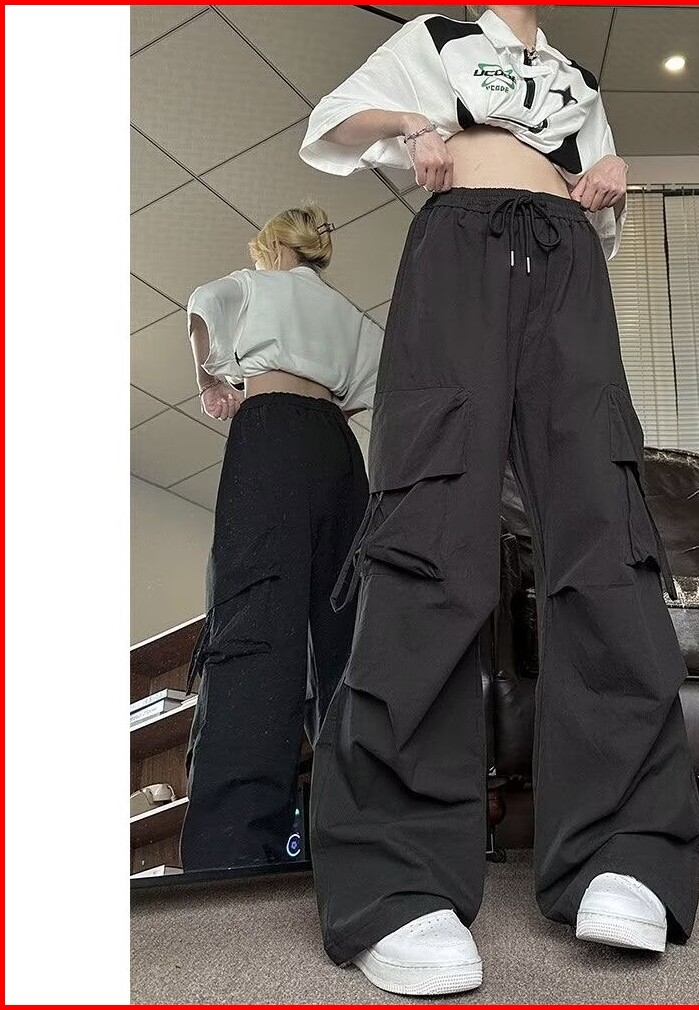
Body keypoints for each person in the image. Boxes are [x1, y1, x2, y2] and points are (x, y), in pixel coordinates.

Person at [300, 6, 699, 995]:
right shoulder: (439, 38)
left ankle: (626, 848)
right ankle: (397, 878)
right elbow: (333, 121)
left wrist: (607, 180)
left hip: (567, 261)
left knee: (605, 529)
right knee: (429, 529)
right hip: (458, 249)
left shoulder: (575, 79)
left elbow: (597, 203)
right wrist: (411, 124)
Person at [180, 204, 382, 871]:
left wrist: (212, 381)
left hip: (270, 434)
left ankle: (234, 851)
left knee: (255, 623)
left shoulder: (253, 283)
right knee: (346, 636)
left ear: (271, 247)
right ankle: (355, 840)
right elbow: (380, 380)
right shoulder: (347, 312)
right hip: (338, 450)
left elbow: (201, 307)